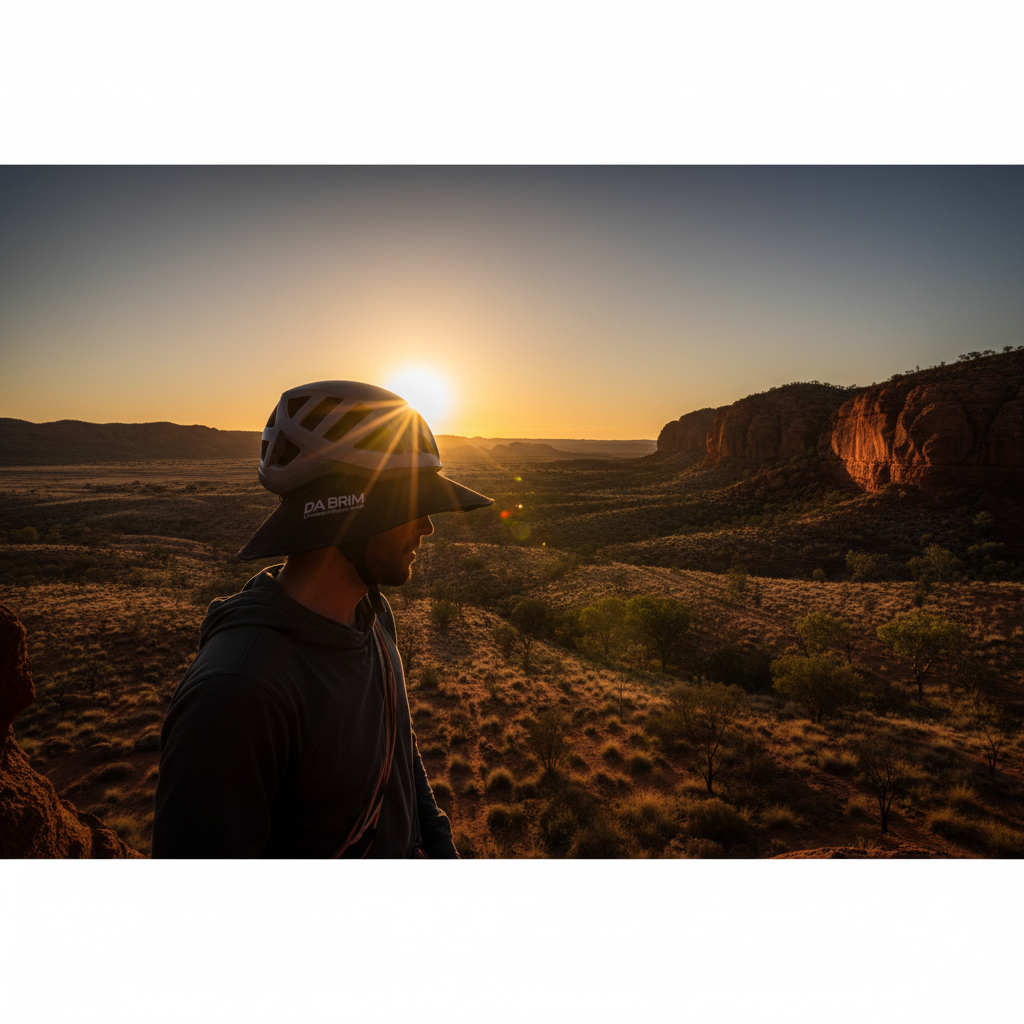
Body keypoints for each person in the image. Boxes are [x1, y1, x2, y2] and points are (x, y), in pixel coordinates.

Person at [152, 380, 493, 858]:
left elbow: (399, 751)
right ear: (346, 510)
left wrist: (439, 848)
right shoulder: (238, 693)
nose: (427, 525)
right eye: (410, 505)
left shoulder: (371, 616)